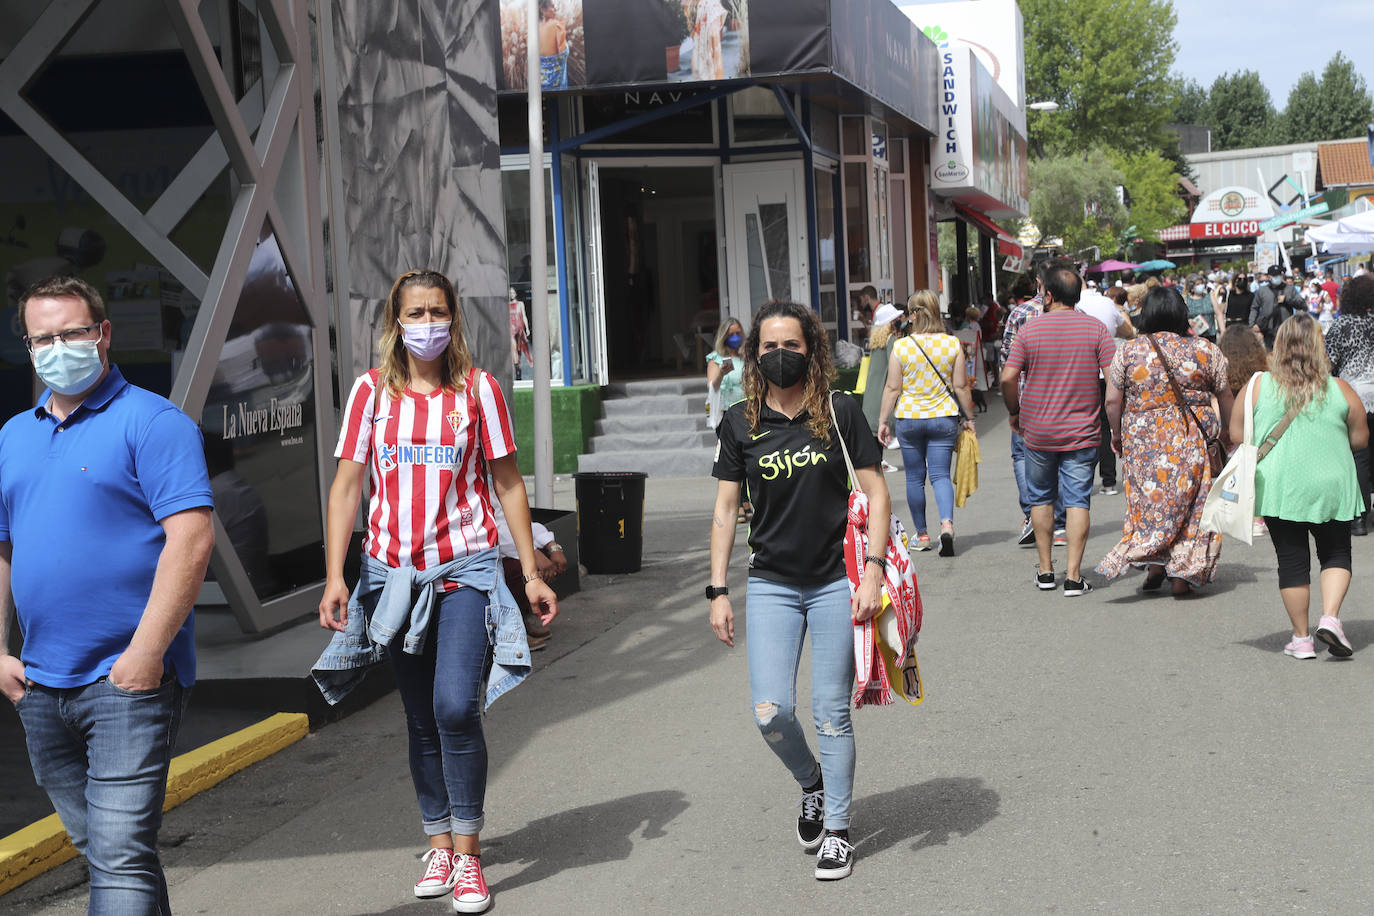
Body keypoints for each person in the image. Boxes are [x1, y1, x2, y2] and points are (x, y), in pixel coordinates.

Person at [314, 269, 557, 913]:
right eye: (415, 313)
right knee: (420, 718)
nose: (427, 324)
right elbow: (346, 488)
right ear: (396, 323)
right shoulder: (369, 394)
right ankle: (441, 840)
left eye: (438, 311)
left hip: (466, 571)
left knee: (455, 706)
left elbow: (507, 484)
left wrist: (529, 571)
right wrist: (336, 574)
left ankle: (471, 857)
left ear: (454, 318)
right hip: (393, 576)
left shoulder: (478, 392)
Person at [0, 276, 215, 915]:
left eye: (72, 332)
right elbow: (4, 551)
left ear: (103, 335)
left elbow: (192, 541)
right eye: (44, 337)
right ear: (28, 346)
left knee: (118, 854)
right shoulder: (13, 435)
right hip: (40, 683)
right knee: (110, 850)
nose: (59, 346)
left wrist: (147, 654)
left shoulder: (153, 423)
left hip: (128, 679)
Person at [708, 299, 890, 882]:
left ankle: (837, 829)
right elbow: (725, 510)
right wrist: (717, 589)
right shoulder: (740, 422)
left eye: (791, 344)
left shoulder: (839, 412)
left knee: (832, 711)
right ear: (752, 355)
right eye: (768, 347)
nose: (779, 355)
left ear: (811, 348)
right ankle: (810, 781)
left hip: (838, 579)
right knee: (771, 712)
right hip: (772, 584)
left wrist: (876, 570)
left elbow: (877, 493)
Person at [1229, 312, 1367, 660]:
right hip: (1331, 484)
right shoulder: (1340, 389)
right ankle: (1331, 619)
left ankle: (1301, 639)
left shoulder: (1259, 384)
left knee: (1291, 561)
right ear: (1320, 347)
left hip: (1280, 485)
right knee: (1336, 553)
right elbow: (1361, 439)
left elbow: (1235, 434)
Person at [1097, 288, 1234, 596]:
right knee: (1193, 507)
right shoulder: (1206, 349)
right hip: (1195, 439)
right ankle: (1181, 576)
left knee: (1150, 506)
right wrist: (1226, 433)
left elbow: (1112, 402)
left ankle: (1155, 565)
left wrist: (1117, 434)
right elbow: (1225, 395)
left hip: (1144, 443)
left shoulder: (1128, 352)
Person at [1001, 264, 1114, 596]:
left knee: (1040, 497)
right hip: (1082, 431)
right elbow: (1114, 381)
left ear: (1047, 295)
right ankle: (1074, 577)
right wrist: (1114, 420)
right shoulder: (1095, 330)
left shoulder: (1029, 331)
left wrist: (1014, 412)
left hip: (1037, 430)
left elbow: (1008, 378)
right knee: (1078, 500)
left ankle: (1047, 571)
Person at [878, 295, 976, 556]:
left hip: (909, 419)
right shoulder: (952, 344)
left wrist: (882, 421)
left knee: (914, 477)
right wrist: (970, 418)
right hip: (943, 418)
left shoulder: (901, 346)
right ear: (936, 311)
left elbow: (892, 387)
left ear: (911, 314)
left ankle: (921, 535)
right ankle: (946, 525)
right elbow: (961, 386)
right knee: (941, 475)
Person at [1002, 269, 1066, 547]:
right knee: (1064, 461)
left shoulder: (1019, 314)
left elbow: (1007, 361)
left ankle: (1033, 514)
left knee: (1022, 457)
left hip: (1028, 401)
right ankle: (1060, 524)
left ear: (1039, 285)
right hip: (1066, 400)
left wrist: (1012, 407)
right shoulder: (1077, 315)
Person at [1323, 274, 1374, 536]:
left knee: (1358, 457)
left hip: (1353, 394)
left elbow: (1327, 362)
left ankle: (1359, 517)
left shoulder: (1342, 324)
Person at [707, 316, 752, 522]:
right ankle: (738, 504)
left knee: (749, 459)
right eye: (731, 334)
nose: (735, 337)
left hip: (749, 411)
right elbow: (712, 386)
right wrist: (721, 374)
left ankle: (746, 501)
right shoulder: (716, 358)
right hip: (727, 414)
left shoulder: (746, 357)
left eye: (738, 333)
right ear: (724, 336)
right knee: (733, 460)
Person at [861, 302, 905, 436]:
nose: (899, 322)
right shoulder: (890, 341)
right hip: (882, 400)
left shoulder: (876, 342)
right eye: (896, 319)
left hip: (870, 402)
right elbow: (898, 368)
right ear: (891, 322)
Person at [1250, 265, 1303, 348]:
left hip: (1286, 329)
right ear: (1269, 277)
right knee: (1270, 354)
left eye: (1279, 274)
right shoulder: (1262, 290)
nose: (1278, 277)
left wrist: (1287, 299)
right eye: (1275, 275)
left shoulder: (1290, 289)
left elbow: (1301, 304)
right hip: (1268, 329)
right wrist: (1252, 324)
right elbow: (1254, 307)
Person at [537, 0, 569, 89]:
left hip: (540, 84)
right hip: (556, 85)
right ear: (542, 10)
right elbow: (562, 53)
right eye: (552, 6)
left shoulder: (534, 28)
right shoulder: (556, 25)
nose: (555, 9)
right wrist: (562, 28)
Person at [1184, 276, 1223, 341]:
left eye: (1201, 283)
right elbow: (1182, 317)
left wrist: (1223, 331)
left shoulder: (1210, 296)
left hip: (1211, 335)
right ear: (1192, 287)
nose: (1201, 286)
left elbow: (1219, 314)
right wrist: (1188, 321)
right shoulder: (1186, 300)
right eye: (1197, 284)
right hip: (1194, 336)